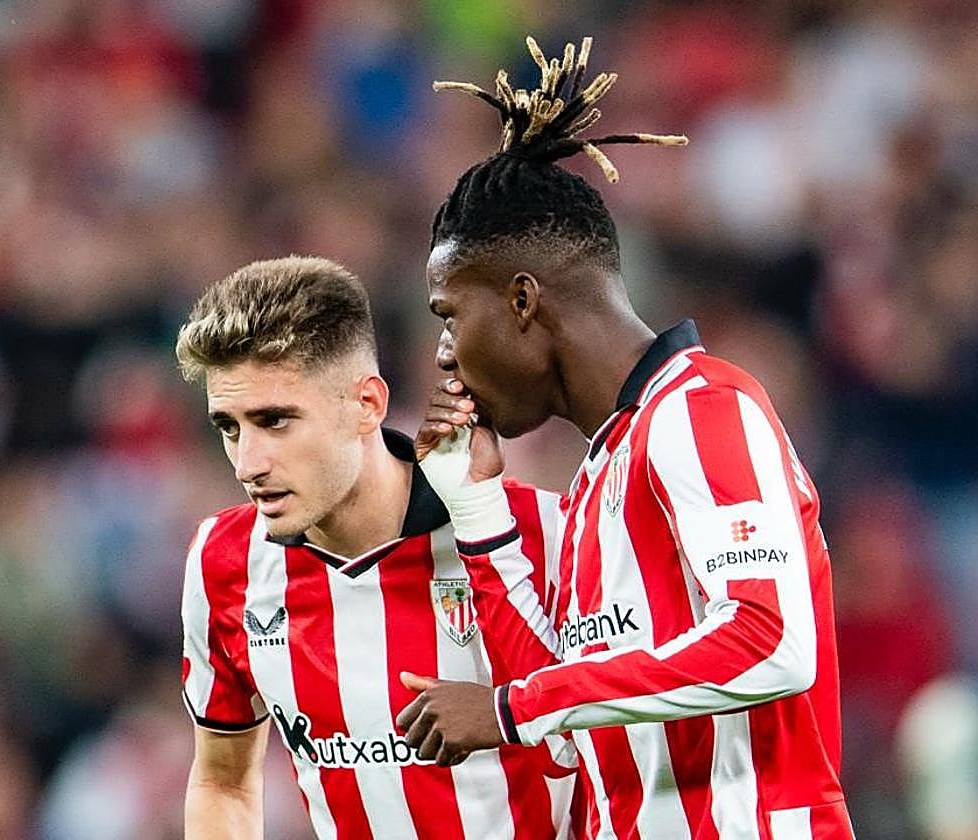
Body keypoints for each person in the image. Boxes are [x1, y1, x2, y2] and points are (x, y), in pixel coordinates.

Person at [396, 36, 854, 838]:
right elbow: (568, 736)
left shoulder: (705, 407)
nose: (443, 354)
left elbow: (773, 640)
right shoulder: (596, 481)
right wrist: (478, 517)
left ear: (523, 301)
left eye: (448, 316)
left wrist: (512, 708)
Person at [176, 256, 575, 839]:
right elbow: (223, 780)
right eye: (229, 427)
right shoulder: (225, 561)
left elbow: (622, 746)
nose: (248, 464)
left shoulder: (535, 533)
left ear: (367, 404)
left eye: (276, 421)